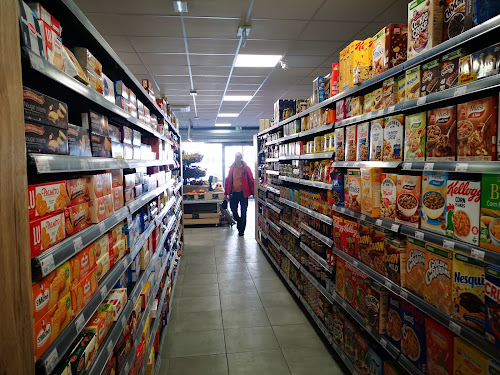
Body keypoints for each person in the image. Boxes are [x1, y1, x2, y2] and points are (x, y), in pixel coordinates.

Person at [224, 152, 254, 236]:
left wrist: (253, 192)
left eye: (238, 157)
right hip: (233, 193)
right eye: (236, 157)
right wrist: (226, 193)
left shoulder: (246, 168)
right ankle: (239, 220)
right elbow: (228, 181)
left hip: (243, 193)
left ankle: (241, 230)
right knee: (233, 210)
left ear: (241, 158)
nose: (237, 159)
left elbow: (251, 181)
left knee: (243, 211)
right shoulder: (232, 168)